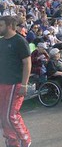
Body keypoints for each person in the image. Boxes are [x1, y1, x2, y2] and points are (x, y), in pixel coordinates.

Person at [0, 16, 32, 147]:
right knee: (3, 116)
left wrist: (24, 84)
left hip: (15, 83)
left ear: (9, 26)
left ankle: (25, 140)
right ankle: (12, 142)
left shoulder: (20, 41)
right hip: (3, 82)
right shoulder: (1, 42)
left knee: (10, 115)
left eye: (0, 25)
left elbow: (27, 63)